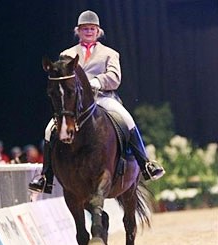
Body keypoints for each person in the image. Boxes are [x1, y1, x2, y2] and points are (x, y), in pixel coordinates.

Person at [29, 10, 165, 194]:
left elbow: (115, 77)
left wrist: (97, 82)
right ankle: (45, 177)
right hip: (75, 102)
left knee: (127, 120)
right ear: (78, 31)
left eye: (92, 28)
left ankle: (146, 163)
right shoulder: (67, 54)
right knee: (49, 130)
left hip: (103, 98)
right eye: (85, 29)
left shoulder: (109, 53)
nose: (88, 32)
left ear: (98, 31)